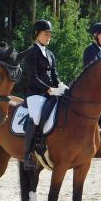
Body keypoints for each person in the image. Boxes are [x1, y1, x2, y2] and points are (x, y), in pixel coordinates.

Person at [22, 20, 68, 170]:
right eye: (45, 34)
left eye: (50, 34)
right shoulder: (31, 53)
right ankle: (27, 154)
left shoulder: (50, 54)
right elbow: (32, 78)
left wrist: (60, 85)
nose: (49, 36)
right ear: (37, 35)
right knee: (36, 118)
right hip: (35, 94)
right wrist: (49, 89)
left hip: (50, 92)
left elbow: (54, 74)